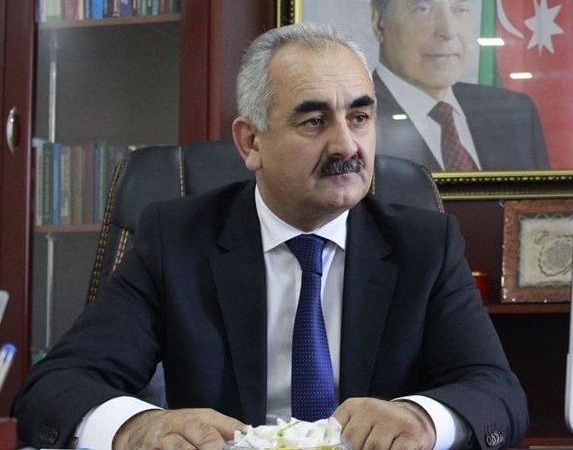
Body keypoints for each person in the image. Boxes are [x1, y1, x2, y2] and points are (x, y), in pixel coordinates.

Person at [13, 23, 527, 450]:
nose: (346, 144)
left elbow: (496, 392)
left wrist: (421, 418)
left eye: (359, 117)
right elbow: (55, 387)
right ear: (251, 142)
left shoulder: (424, 244)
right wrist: (137, 428)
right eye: (314, 121)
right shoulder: (177, 239)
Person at [371, 0, 549, 171]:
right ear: (379, 21)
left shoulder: (514, 112)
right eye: (423, 9)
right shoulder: (351, 119)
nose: (448, 31)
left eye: (461, 9)